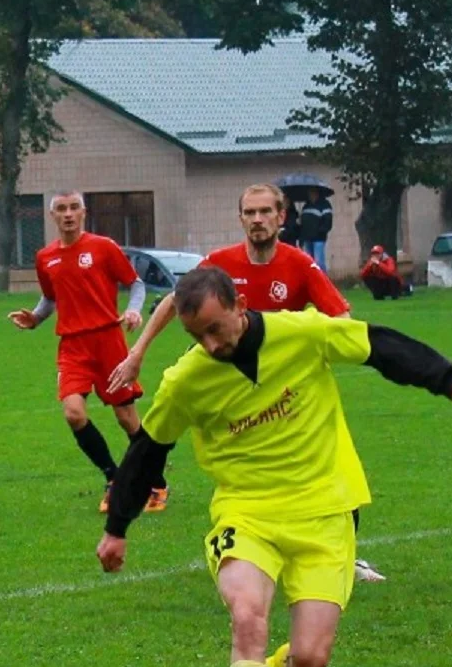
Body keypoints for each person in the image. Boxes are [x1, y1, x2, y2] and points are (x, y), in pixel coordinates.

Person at [95, 266, 452, 667]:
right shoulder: (187, 379)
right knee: (247, 616)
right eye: (197, 337)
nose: (211, 345)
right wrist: (117, 528)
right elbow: (148, 451)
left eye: (216, 328)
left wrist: (449, 381)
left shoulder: (301, 333)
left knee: (310, 661)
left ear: (238, 304)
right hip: (247, 513)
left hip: (324, 512)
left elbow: (378, 346)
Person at [109, 184, 387, 584]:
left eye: (265, 212)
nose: (257, 220)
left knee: (331, 469)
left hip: (287, 390)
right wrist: (137, 354)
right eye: (249, 213)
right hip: (230, 390)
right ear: (241, 218)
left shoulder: (300, 264)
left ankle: (340, 553)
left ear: (281, 217)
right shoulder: (219, 264)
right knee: (236, 474)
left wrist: (326, 349)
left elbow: (340, 316)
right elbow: (175, 300)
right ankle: (247, 552)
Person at [8, 191, 161, 514]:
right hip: (73, 346)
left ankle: (156, 482)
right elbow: (51, 298)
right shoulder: (45, 257)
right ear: (52, 216)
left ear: (83, 213)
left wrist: (134, 311)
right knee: (74, 413)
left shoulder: (103, 247)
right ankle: (113, 478)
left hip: (108, 342)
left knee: (126, 418)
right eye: (61, 208)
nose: (68, 214)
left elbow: (135, 284)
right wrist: (35, 318)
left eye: (74, 207)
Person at [297, 188, 333, 271]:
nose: (310, 195)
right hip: (307, 238)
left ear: (317, 193)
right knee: (309, 262)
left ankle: (323, 281)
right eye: (309, 193)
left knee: (319, 262)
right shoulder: (306, 206)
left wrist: (320, 232)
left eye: (312, 192)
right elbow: (303, 223)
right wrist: (301, 238)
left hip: (318, 238)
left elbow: (328, 221)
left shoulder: (325, 205)